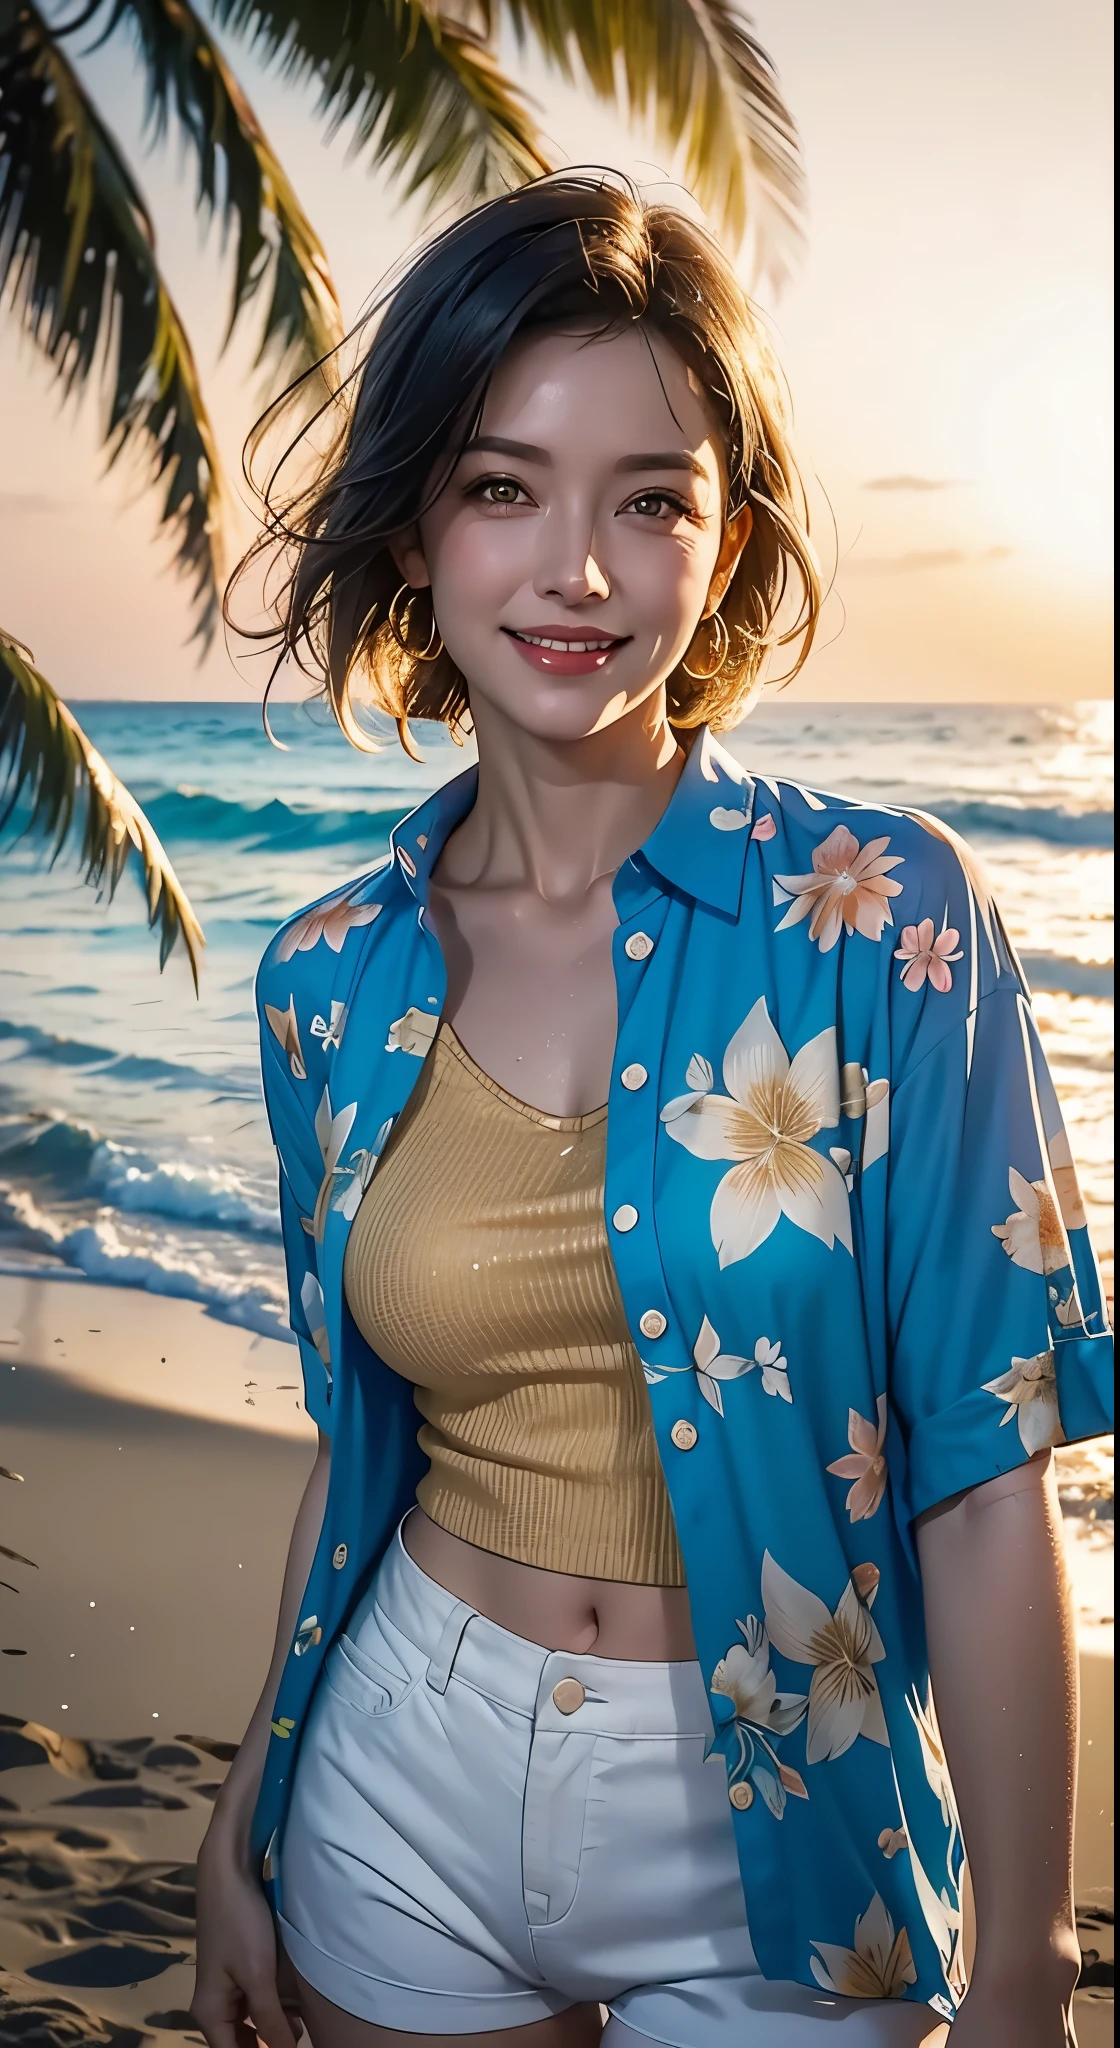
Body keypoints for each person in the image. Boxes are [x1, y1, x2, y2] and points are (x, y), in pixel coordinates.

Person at [192, 172, 1113, 2048]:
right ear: (417, 531)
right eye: (504, 487)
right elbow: (349, 1442)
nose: (579, 571)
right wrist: (242, 1821)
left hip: (794, 1810)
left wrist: (1024, 1958)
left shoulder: (887, 921)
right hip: (397, 1787)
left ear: (728, 542)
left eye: (651, 501)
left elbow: (983, 1462)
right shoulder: (325, 981)